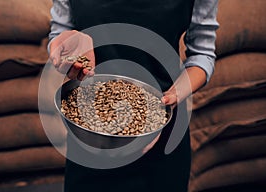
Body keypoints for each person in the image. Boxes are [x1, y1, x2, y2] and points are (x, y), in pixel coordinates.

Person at [48, 0, 219, 191]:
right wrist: (67, 49)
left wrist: (173, 95)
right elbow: (59, 34)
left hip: (163, 134)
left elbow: (203, 53)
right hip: (90, 133)